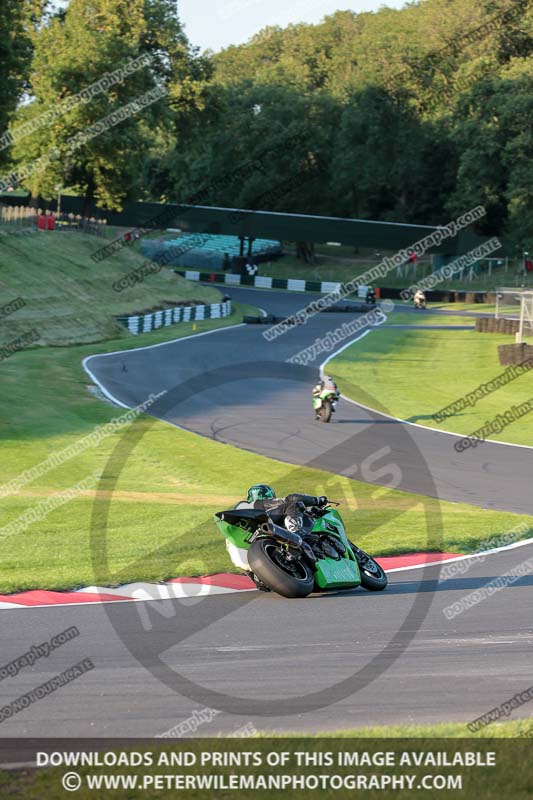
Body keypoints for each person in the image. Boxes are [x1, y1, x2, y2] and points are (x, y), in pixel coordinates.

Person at [245, 484, 328, 534]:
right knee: (295, 504)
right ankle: (297, 532)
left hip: (256, 537)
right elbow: (292, 498)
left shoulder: (245, 508)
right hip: (267, 522)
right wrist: (317, 500)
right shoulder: (263, 503)